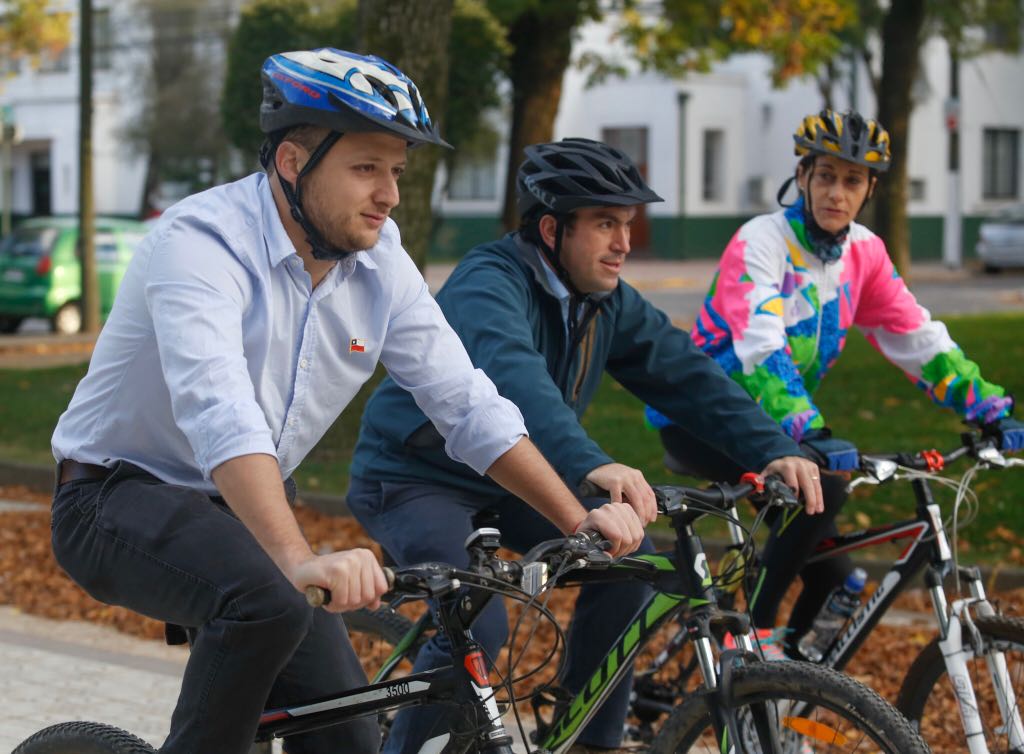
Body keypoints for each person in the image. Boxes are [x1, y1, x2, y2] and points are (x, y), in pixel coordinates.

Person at [48, 49, 645, 754]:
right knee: (266, 601)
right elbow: (220, 409)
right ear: (293, 163)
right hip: (114, 496)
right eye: (366, 168)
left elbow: (466, 403)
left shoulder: (379, 259)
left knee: (348, 736)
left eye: (397, 170)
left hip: (236, 509)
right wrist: (298, 558)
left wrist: (576, 521)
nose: (389, 194)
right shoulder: (200, 242)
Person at [347, 137, 823, 753]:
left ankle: (585, 741)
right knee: (478, 624)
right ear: (552, 228)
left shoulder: (603, 299)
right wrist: (591, 465)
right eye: (604, 224)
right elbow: (517, 383)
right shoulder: (488, 284)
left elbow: (686, 375)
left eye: (627, 223)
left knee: (628, 563)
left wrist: (772, 448)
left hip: (515, 478)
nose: (624, 242)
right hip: (414, 478)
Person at [648, 108, 1024, 656]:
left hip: (774, 423)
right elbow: (761, 347)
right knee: (825, 486)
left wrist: (988, 407)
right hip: (701, 415)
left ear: (870, 189)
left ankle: (789, 685)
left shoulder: (864, 254)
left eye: (852, 180)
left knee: (838, 580)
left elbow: (917, 336)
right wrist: (810, 429)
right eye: (825, 175)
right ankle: (748, 638)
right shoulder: (762, 241)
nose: (836, 192)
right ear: (802, 176)